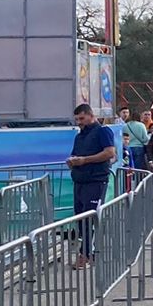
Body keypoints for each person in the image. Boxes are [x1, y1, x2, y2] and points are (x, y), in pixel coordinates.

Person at [65, 103, 117, 264]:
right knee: (81, 219)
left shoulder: (102, 131)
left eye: (81, 118)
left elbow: (110, 153)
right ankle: (86, 252)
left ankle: (87, 254)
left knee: (89, 218)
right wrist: (72, 162)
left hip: (96, 181)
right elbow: (76, 154)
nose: (79, 122)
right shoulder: (79, 136)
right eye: (77, 119)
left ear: (91, 115)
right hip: (79, 180)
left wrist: (85, 160)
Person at [121, 109, 150, 179]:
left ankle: (129, 181)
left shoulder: (125, 126)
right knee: (138, 168)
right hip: (139, 148)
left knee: (129, 166)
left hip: (127, 148)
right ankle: (137, 181)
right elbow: (145, 138)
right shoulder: (141, 125)